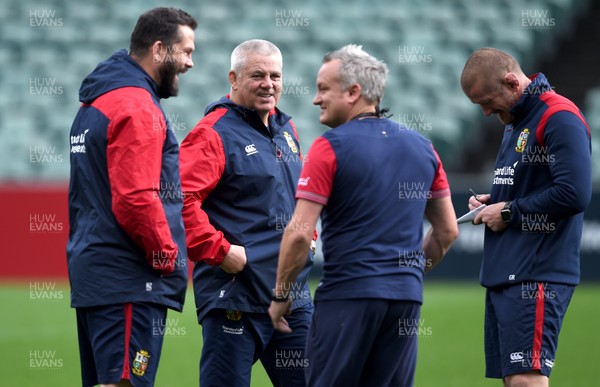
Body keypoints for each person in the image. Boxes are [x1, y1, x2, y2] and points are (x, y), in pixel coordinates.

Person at [268, 44, 459, 387]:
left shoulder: (330, 146)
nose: (315, 99)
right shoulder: (423, 147)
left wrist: (281, 296)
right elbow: (447, 232)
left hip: (348, 295)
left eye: (324, 88)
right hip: (405, 300)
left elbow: (298, 233)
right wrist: (407, 274)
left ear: (353, 92)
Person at [66, 7, 196, 387]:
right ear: (159, 50)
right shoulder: (136, 106)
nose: (190, 63)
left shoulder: (95, 102)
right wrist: (167, 256)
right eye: (186, 51)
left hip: (97, 273)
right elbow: (135, 199)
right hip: (128, 278)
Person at [179, 39, 314, 387]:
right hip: (235, 296)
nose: (268, 83)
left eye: (275, 75)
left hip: (292, 296)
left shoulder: (287, 130)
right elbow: (178, 201)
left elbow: (298, 193)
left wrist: (308, 235)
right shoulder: (211, 134)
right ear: (233, 78)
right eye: (257, 75)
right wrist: (219, 251)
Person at [460, 48, 592, 386]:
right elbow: (533, 184)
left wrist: (508, 210)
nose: (487, 112)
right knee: (514, 380)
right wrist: (499, 199)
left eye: (488, 101)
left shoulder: (559, 116)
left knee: (526, 380)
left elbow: (574, 193)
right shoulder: (515, 120)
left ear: (511, 81)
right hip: (509, 270)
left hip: (537, 272)